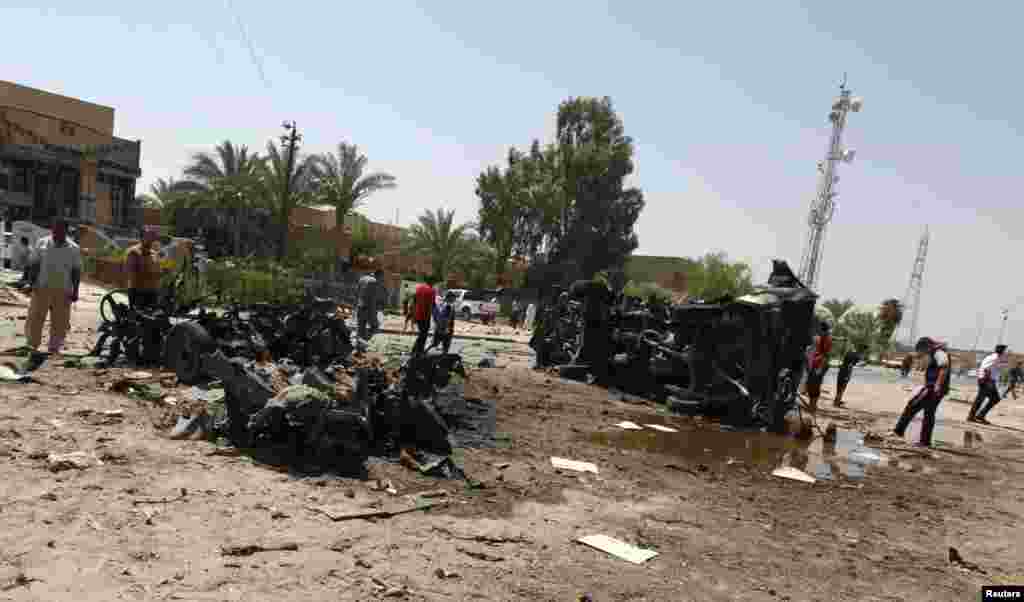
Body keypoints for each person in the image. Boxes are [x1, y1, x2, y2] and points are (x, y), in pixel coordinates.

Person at [24, 219, 81, 355]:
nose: (57, 233)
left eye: (61, 230)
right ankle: (32, 346)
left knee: (60, 322)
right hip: (41, 288)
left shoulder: (74, 248)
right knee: (35, 318)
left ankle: (54, 348)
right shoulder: (42, 243)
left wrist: (75, 291)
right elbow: (34, 264)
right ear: (52, 229)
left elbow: (76, 271)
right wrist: (30, 283)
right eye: (55, 230)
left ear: (66, 231)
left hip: (63, 290)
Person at [893, 337, 951, 447]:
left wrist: (937, 385)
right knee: (929, 413)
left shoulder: (939, 353)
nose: (922, 353)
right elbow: (918, 355)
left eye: (922, 350)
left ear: (927, 347)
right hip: (937, 389)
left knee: (912, 406)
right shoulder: (933, 351)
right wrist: (908, 357)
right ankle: (925, 441)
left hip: (932, 388)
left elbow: (944, 367)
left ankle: (898, 431)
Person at [569, 279, 612, 386]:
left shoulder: (592, 301)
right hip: (594, 321)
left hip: (592, 321)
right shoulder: (597, 300)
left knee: (588, 344)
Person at [968, 344, 1009, 424]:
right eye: (1005, 351)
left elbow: (998, 367)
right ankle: (972, 416)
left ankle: (979, 415)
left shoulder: (996, 357)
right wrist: (987, 381)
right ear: (1002, 351)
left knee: (994, 398)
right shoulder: (995, 358)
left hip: (988, 380)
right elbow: (986, 369)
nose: (1006, 352)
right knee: (981, 399)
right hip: (987, 381)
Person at [125, 226, 163, 310]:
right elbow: (131, 274)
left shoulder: (154, 253)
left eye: (152, 237)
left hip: (152, 292)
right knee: (139, 320)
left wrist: (160, 273)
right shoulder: (134, 252)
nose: (150, 240)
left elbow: (158, 270)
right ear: (141, 238)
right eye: (148, 237)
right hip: (138, 292)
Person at [804, 321, 833, 412]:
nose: (817, 330)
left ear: (822, 329)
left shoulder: (827, 339)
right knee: (810, 384)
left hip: (820, 365)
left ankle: (813, 406)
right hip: (815, 363)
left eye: (819, 328)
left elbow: (826, 355)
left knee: (815, 385)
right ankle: (811, 404)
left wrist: (820, 368)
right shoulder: (821, 337)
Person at [355, 269, 383, 349]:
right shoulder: (374, 281)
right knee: (375, 327)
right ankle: (363, 341)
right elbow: (372, 299)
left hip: (360, 307)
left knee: (360, 329)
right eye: (381, 278)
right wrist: (374, 313)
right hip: (368, 308)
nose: (381, 280)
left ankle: (359, 347)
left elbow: (356, 293)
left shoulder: (362, 278)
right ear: (379, 275)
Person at [411, 277, 436, 356]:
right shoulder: (432, 291)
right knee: (423, 334)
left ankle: (417, 350)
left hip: (417, 314)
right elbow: (432, 305)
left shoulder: (418, 288)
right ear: (432, 283)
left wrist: (413, 313)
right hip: (425, 315)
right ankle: (418, 350)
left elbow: (414, 300)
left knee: (422, 333)